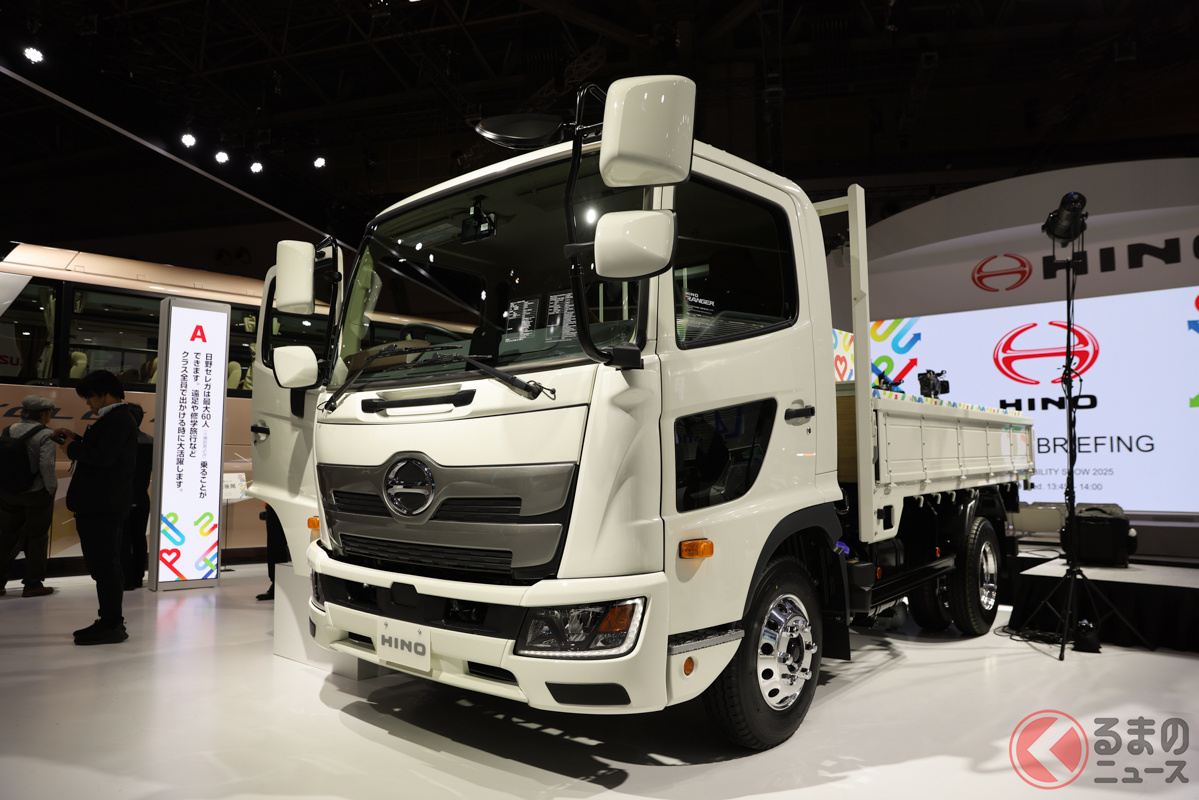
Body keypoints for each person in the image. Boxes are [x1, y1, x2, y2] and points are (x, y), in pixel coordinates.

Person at [53, 370, 139, 645]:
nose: (88, 402)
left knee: (105, 565)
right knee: (103, 565)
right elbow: (104, 452)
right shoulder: (115, 418)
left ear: (105, 393)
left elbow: (103, 457)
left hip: (103, 505)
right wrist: (76, 439)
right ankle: (108, 621)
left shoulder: (119, 418)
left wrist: (71, 447)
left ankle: (112, 624)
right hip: (100, 504)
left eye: (89, 397)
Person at [0, 395, 60, 597]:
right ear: (42, 414)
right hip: (36, 494)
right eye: (49, 413)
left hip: (8, 493)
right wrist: (51, 487)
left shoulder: (8, 430)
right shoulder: (46, 434)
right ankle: (33, 584)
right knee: (37, 537)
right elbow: (46, 464)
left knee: (7, 536)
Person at [121, 403, 153, 591]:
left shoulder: (119, 442)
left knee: (123, 538)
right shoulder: (151, 441)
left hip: (121, 497)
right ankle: (138, 577)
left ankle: (125, 579)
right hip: (142, 497)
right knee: (139, 538)